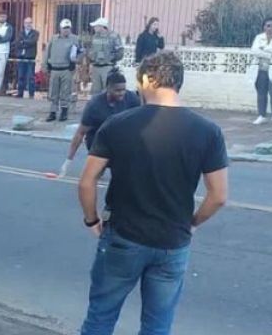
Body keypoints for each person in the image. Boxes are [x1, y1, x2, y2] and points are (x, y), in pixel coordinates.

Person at [77, 51, 229, 335]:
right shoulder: (208, 131)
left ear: (147, 79)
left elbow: (87, 181)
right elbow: (219, 195)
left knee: (100, 317)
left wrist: (91, 220)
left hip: (123, 238)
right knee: (158, 325)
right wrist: (192, 223)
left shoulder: (117, 124)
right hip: (173, 242)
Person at [59, 69, 140, 178]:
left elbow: (141, 120)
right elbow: (80, 133)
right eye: (117, 90)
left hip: (119, 140)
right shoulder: (95, 105)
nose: (121, 93)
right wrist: (68, 161)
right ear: (108, 89)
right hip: (97, 141)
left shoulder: (131, 99)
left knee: (123, 174)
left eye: (123, 90)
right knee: (94, 175)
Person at [44, 19, 79, 122]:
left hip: (67, 69)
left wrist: (76, 61)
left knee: (65, 91)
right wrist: (45, 66)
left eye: (68, 28)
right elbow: (47, 53)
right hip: (54, 69)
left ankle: (64, 111)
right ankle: (52, 112)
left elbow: (80, 51)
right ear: (60, 28)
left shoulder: (75, 39)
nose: (66, 30)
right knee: (53, 92)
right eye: (64, 28)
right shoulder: (54, 39)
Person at [87, 18, 124, 96]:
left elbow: (120, 52)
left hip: (107, 67)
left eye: (96, 26)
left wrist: (111, 59)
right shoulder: (94, 37)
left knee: (108, 90)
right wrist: (91, 59)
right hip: (96, 67)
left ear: (102, 26)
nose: (94, 28)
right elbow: (90, 49)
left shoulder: (114, 36)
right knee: (95, 92)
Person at [250, 17, 272, 125]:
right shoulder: (259, 37)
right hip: (260, 70)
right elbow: (255, 51)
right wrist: (271, 54)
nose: (270, 28)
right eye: (268, 25)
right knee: (261, 93)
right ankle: (261, 115)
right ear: (264, 27)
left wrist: (263, 49)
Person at [14, 17, 39, 98]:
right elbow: (17, 43)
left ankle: (31, 94)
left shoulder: (35, 33)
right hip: (21, 57)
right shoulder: (20, 33)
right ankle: (20, 93)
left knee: (30, 77)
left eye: (30, 22)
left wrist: (23, 41)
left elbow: (32, 42)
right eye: (26, 23)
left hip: (30, 57)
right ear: (24, 24)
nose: (28, 24)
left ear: (32, 24)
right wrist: (25, 42)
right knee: (20, 76)